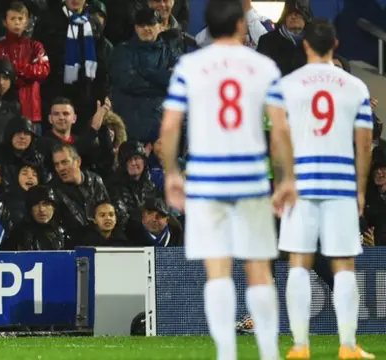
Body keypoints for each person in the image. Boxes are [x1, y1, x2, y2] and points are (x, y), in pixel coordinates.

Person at [159, 1, 297, 359]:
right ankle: (268, 351)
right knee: (258, 267)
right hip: (250, 176)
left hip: (207, 177)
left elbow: (172, 123)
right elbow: (280, 128)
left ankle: (226, 353)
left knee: (218, 268)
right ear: (240, 25)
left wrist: (172, 173)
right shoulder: (262, 66)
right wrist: (285, 178)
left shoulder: (190, 65)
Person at [277, 19, 375, 359]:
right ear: (335, 45)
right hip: (340, 185)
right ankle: (347, 346)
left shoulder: (287, 85)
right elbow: (364, 145)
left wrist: (281, 183)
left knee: (299, 264)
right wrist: (361, 190)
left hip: (301, 183)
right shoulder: (355, 87)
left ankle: (300, 347)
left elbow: (279, 139)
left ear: (305, 46)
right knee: (343, 265)